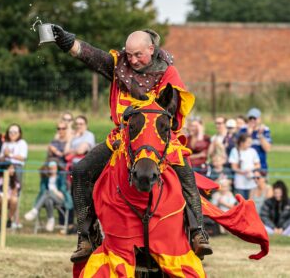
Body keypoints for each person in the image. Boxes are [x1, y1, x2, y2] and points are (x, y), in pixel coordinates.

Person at [51, 25, 212, 262]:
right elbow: (92, 56)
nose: (133, 60)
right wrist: (66, 42)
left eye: (139, 55)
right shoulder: (120, 66)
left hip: (158, 137)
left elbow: (172, 109)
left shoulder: (168, 73)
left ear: (151, 49)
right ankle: (86, 236)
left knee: (185, 174)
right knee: (81, 170)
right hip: (123, 138)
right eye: (129, 54)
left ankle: (198, 233)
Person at [24, 158, 73, 232]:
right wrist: (52, 191)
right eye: (51, 168)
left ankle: (35, 210)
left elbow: (63, 190)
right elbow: (42, 190)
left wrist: (56, 192)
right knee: (48, 199)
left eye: (54, 168)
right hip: (48, 198)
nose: (53, 169)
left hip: (60, 199)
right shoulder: (45, 179)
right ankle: (51, 219)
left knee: (48, 193)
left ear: (57, 168)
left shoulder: (60, 177)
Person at [229, 133, 261, 199]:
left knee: (250, 202)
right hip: (240, 183)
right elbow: (234, 167)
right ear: (241, 143)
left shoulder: (252, 151)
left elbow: (258, 165)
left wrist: (251, 169)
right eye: (248, 142)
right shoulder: (234, 151)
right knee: (241, 202)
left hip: (251, 182)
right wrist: (243, 172)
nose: (250, 144)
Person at [240, 108, 272, 174]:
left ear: (259, 119)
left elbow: (268, 149)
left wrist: (260, 135)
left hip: (261, 166)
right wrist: (248, 134)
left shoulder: (265, 130)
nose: (252, 120)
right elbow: (239, 147)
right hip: (245, 167)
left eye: (254, 118)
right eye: (250, 118)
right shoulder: (243, 129)